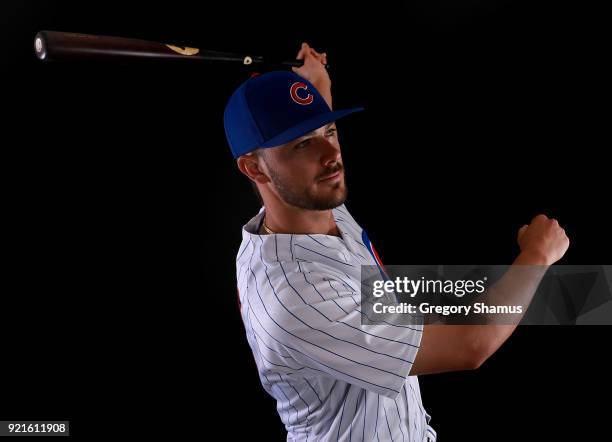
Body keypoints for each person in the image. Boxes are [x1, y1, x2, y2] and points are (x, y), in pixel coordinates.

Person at [224, 43, 569, 441]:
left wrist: (318, 85)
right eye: (302, 143)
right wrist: (538, 254)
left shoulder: (309, 208)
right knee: (580, 297)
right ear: (254, 168)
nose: (331, 155)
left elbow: (314, 148)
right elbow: (471, 345)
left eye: (330, 130)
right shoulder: (296, 295)